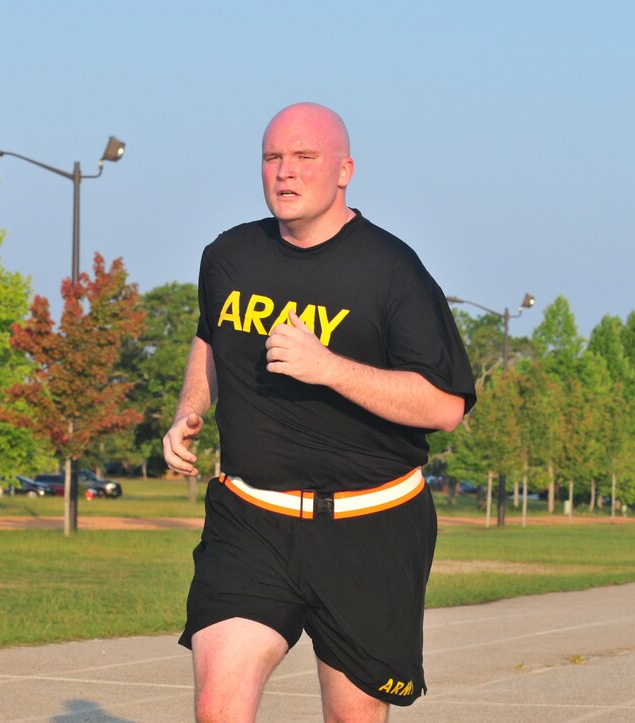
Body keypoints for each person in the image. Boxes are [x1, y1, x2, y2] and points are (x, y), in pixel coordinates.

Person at [163, 102, 476, 721]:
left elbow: (444, 407)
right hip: (251, 518)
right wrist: (189, 410)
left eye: (304, 157)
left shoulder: (392, 271)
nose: (285, 172)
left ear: (344, 171)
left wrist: (327, 366)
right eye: (272, 157)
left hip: (370, 527)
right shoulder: (228, 256)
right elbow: (211, 338)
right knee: (217, 702)